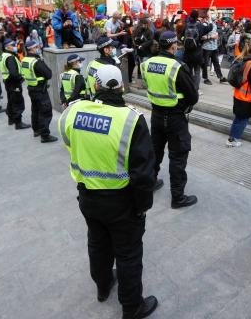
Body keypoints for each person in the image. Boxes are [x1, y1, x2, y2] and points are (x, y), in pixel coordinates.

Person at [58, 64, 159, 319]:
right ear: (122, 87)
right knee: (128, 253)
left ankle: (103, 287)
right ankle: (131, 306)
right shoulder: (131, 120)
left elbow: (68, 140)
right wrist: (142, 206)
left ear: (95, 86)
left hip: (88, 196)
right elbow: (144, 174)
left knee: (98, 244)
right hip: (121, 201)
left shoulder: (74, 112)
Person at [140, 31, 199, 208]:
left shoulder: (146, 64)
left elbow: (148, 85)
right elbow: (193, 96)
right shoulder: (176, 67)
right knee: (178, 156)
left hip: (156, 115)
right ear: (173, 46)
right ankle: (178, 197)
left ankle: (149, 183)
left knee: (155, 152)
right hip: (175, 118)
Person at [21, 40, 58, 143]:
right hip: (40, 90)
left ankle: (36, 130)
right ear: (32, 48)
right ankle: (45, 135)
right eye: (36, 47)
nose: (38, 48)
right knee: (45, 111)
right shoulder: (36, 62)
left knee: (36, 110)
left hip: (31, 89)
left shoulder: (24, 60)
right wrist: (41, 60)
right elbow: (48, 74)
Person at [0, 39, 31, 130]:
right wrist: (20, 78)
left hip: (8, 82)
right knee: (17, 102)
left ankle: (11, 119)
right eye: (12, 45)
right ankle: (18, 123)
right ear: (7, 47)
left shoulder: (4, 55)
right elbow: (13, 73)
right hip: (14, 83)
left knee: (11, 100)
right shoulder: (10, 58)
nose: (14, 46)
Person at [182, 9, 212, 90]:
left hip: (187, 53)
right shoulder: (200, 26)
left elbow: (181, 36)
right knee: (197, 72)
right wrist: (209, 18)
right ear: (197, 17)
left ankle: (189, 88)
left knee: (189, 71)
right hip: (197, 53)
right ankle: (195, 89)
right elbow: (210, 27)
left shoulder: (186, 25)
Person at [201, 10, 226, 85]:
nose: (214, 15)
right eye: (212, 13)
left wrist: (217, 36)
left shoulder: (214, 23)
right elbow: (201, 37)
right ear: (208, 15)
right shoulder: (205, 24)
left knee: (216, 63)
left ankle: (221, 77)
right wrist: (211, 36)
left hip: (214, 47)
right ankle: (205, 78)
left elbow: (216, 34)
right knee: (205, 64)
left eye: (214, 13)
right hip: (206, 48)